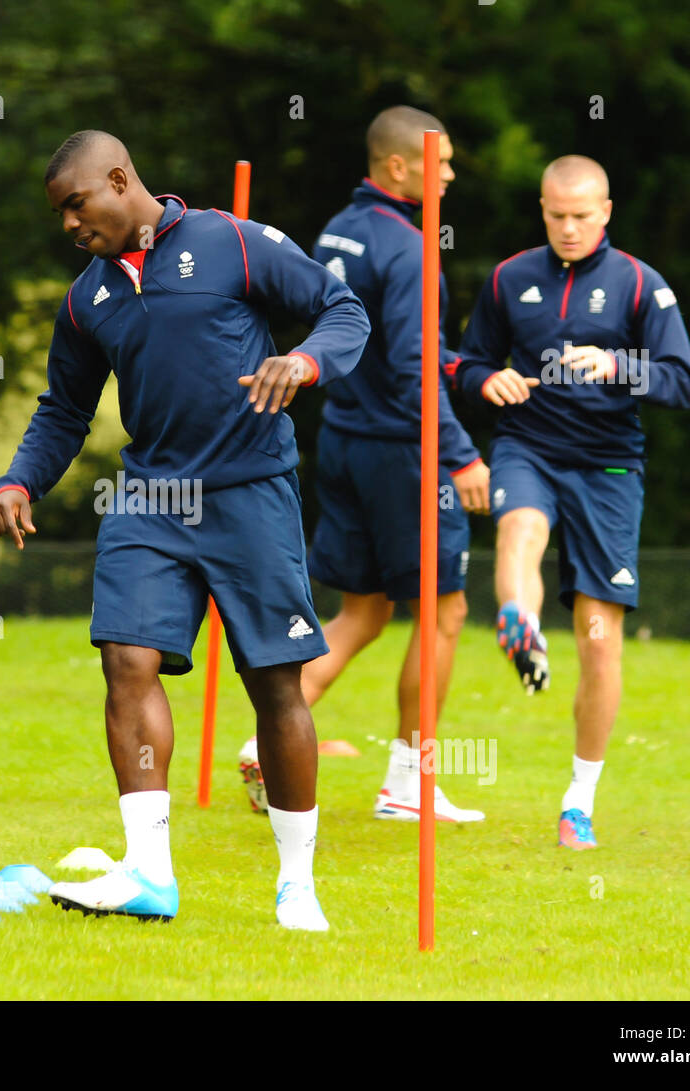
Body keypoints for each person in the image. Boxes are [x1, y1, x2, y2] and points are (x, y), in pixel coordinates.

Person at [0, 130, 369, 930]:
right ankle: (149, 873)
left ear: (120, 179)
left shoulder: (233, 240)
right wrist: (22, 477)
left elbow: (342, 308)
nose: (69, 226)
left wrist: (303, 363)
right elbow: (64, 408)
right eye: (60, 214)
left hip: (252, 491)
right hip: (152, 499)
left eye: (76, 205)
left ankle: (297, 881)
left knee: (275, 683)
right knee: (125, 657)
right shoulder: (86, 297)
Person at [236, 106, 489, 824]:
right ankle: (410, 782)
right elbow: (413, 364)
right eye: (440, 163)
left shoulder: (338, 230)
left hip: (343, 441)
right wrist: (462, 454)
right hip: (404, 453)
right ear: (401, 167)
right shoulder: (409, 247)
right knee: (444, 611)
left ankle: (265, 739)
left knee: (365, 610)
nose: (448, 174)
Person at [455, 155, 690, 849]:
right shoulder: (509, 278)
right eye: (556, 215)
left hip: (609, 466)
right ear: (542, 209)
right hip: (527, 447)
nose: (568, 227)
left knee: (599, 636)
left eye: (582, 216)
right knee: (520, 530)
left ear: (607, 212)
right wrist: (486, 383)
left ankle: (578, 802)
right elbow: (467, 363)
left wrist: (619, 365)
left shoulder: (640, 286)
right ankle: (518, 623)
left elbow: (683, 382)